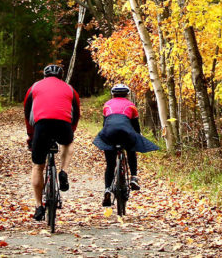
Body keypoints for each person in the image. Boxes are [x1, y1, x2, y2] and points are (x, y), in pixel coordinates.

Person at [23, 64, 80, 221]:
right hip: (64, 125)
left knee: (37, 166)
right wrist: (71, 131)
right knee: (68, 144)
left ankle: (38, 206)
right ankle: (63, 171)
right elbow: (76, 114)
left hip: (41, 126)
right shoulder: (70, 89)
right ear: (61, 76)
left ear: (44, 75)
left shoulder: (34, 87)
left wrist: (31, 135)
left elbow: (28, 113)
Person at [93, 83, 159, 207]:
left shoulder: (107, 105)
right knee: (131, 148)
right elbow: (136, 127)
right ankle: (134, 177)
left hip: (109, 133)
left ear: (113, 94)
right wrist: (137, 138)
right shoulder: (131, 106)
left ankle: (107, 188)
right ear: (127, 95)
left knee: (110, 164)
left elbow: (106, 123)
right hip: (126, 133)